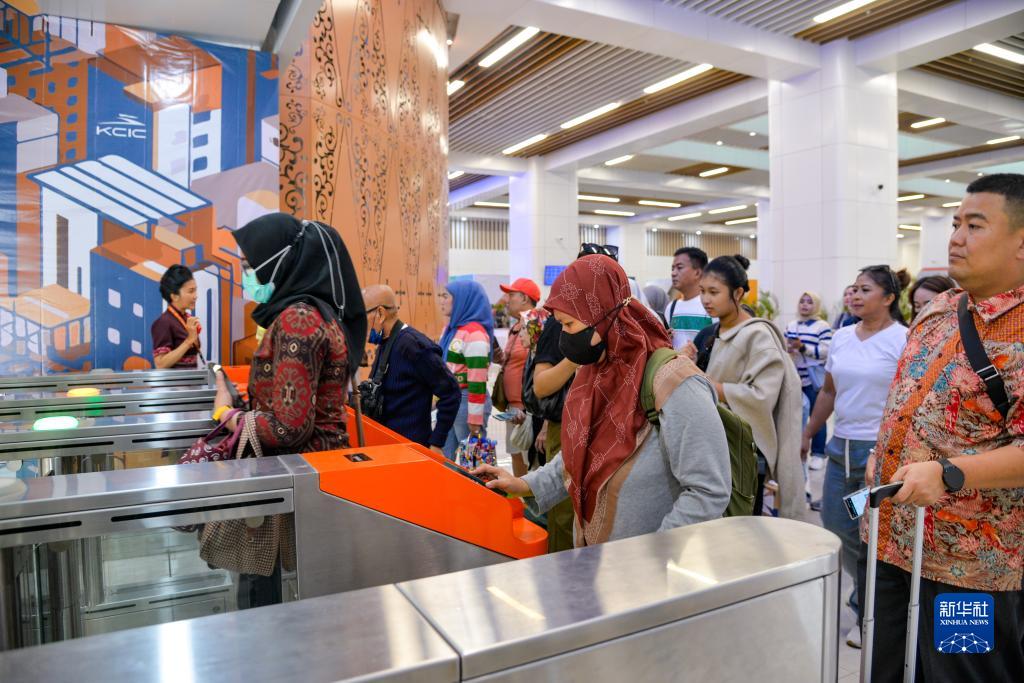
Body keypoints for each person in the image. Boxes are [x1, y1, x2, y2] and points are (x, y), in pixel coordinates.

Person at [866, 174, 1024, 682]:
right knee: (884, 667)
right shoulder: (939, 309)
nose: (955, 237)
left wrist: (949, 473)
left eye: (975, 226)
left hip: (970, 567)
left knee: (961, 674)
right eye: (956, 223)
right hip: (892, 543)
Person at [473, 255, 730, 545]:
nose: (564, 339)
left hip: (650, 565)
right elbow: (579, 455)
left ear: (605, 318)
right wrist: (522, 484)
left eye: (569, 325)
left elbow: (708, 491)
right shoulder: (596, 374)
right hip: (600, 561)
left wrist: (654, 557)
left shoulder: (676, 383)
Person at [211, 212, 366, 609]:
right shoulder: (313, 312)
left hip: (297, 479)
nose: (246, 276)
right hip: (308, 475)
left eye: (249, 266)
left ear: (278, 262)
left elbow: (289, 427)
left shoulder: (298, 320)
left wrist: (228, 415)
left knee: (271, 604)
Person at [801, 265, 909, 649]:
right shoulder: (843, 336)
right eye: (854, 289)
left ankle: (868, 610)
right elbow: (828, 392)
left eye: (865, 289)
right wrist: (808, 432)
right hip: (840, 451)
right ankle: (864, 594)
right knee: (838, 524)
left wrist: (891, 450)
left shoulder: (903, 339)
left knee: (871, 531)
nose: (856, 295)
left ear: (889, 298)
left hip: (878, 455)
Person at [699, 255, 805, 519]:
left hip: (743, 453)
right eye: (702, 291)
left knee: (741, 529)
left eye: (714, 292)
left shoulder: (757, 335)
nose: (706, 299)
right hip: (716, 448)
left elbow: (761, 397)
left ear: (737, 293)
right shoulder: (715, 332)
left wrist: (714, 387)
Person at [361, 284, 460, 453]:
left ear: (380, 314)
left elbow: (451, 392)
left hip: (412, 452)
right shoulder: (386, 343)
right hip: (389, 449)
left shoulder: (414, 346)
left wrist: (437, 442)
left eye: (363, 317)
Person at [438, 280, 494, 460]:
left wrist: (475, 418)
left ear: (462, 300)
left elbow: (477, 380)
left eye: (446, 296)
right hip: (452, 399)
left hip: (467, 400)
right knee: (445, 457)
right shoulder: (452, 330)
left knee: (472, 462)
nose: (441, 301)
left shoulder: (474, 334)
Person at [498, 277, 542, 476]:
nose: (507, 299)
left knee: (529, 460)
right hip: (513, 407)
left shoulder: (534, 322)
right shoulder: (517, 326)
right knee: (516, 454)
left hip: (527, 409)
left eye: (512, 295)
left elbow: (539, 361)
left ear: (525, 298)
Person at [785, 292, 833, 471]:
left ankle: (818, 454)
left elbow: (826, 351)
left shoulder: (822, 326)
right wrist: (789, 348)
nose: (805, 305)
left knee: (817, 416)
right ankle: (797, 451)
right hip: (795, 378)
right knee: (795, 417)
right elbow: (784, 346)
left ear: (816, 305)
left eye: (809, 302)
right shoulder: (791, 325)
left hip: (813, 380)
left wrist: (803, 347)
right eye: (802, 301)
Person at [152, 265, 201, 369]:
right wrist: (189, 341)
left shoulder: (186, 319)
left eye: (195, 290)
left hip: (190, 379)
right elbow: (160, 364)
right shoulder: (163, 322)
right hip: (176, 380)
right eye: (191, 291)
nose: (195, 296)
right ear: (174, 296)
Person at [666, 247, 713, 351]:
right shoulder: (671, 307)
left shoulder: (711, 305)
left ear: (697, 273)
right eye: (672, 268)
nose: (673, 273)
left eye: (679, 267)